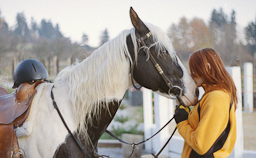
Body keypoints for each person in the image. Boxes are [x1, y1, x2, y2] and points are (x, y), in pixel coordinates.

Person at [174, 48, 237, 158]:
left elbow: (201, 146)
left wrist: (182, 122)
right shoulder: (213, 94)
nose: (191, 75)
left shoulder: (216, 97)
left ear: (207, 67)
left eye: (194, 70)